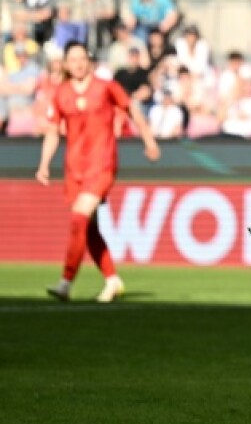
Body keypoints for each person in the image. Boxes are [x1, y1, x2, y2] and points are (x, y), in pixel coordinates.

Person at [36, 42, 161, 303]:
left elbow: (132, 110)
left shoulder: (105, 87)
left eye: (82, 59)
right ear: (66, 64)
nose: (78, 64)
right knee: (89, 229)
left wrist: (148, 140)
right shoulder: (61, 93)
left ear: (89, 61)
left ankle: (65, 282)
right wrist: (44, 163)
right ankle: (112, 280)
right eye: (73, 60)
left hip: (102, 163)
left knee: (79, 219)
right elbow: (52, 131)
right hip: (75, 168)